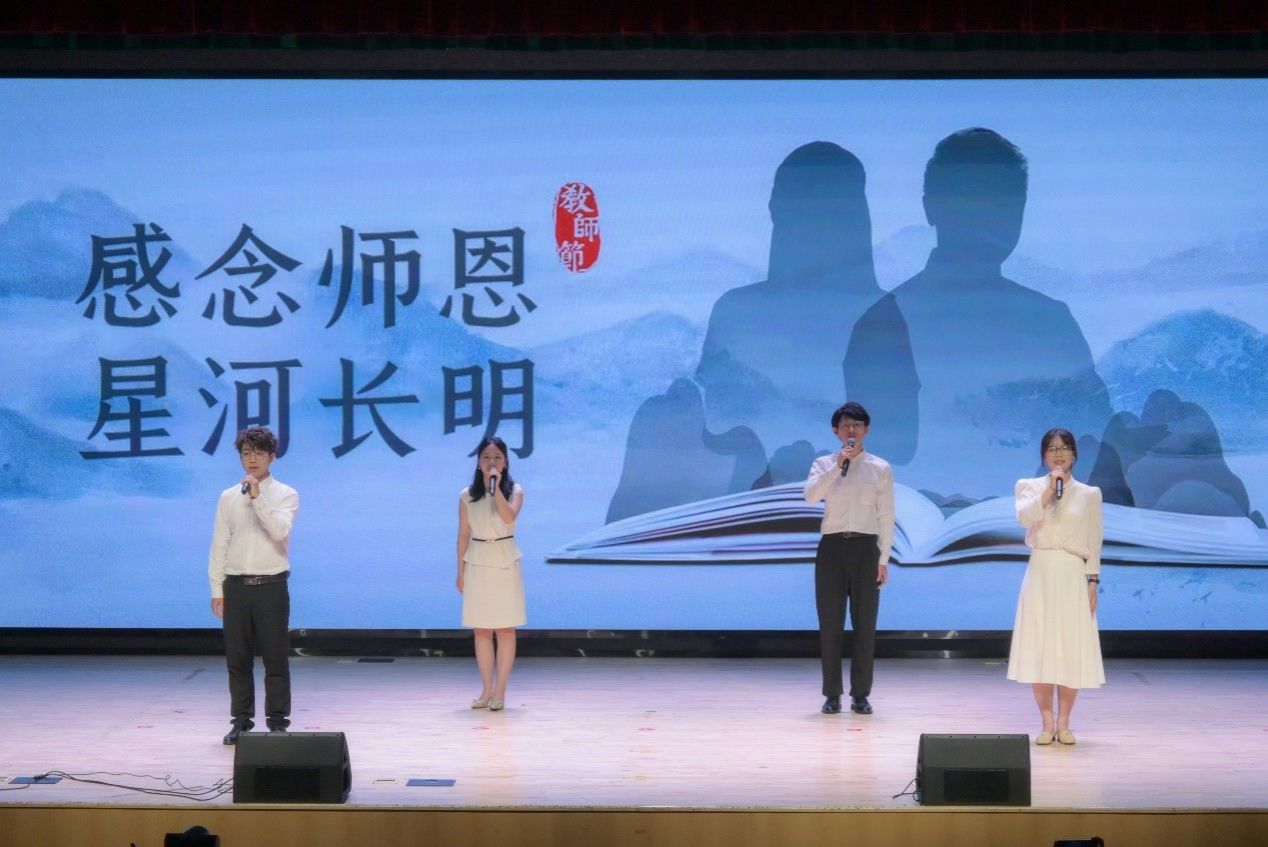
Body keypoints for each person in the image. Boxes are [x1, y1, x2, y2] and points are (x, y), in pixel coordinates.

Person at [1008, 428, 1105, 745]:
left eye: (1064, 448)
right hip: (1041, 570)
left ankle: (1064, 723)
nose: (1058, 453)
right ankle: (1046, 722)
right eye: (1052, 448)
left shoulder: (1089, 494)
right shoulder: (1029, 487)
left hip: (1072, 572)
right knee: (1041, 646)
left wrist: (1093, 581)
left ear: (1074, 454)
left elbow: (1094, 540)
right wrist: (1049, 490)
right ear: (1043, 456)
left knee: (1069, 647)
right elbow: (1025, 518)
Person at [208, 426, 299, 745]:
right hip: (235, 586)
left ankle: (278, 722)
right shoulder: (228, 496)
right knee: (238, 659)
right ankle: (241, 722)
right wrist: (217, 589)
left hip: (271, 586)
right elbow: (219, 543)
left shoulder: (286, 494)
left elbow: (279, 531)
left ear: (272, 456)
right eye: (246, 453)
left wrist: (258, 497)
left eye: (259, 453)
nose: (252, 459)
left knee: (275, 658)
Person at [803, 402, 894, 715]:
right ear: (836, 431)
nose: (851, 430)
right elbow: (811, 496)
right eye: (845, 425)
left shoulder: (880, 468)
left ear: (866, 430)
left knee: (865, 625)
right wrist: (838, 465)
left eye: (857, 425)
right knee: (830, 624)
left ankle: (860, 694)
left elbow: (886, 515)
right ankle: (832, 694)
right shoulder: (823, 464)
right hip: (832, 548)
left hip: (866, 548)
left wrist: (884, 559)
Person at [456, 436, 526, 711]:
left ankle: (500, 690)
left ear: (506, 462)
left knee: (505, 629)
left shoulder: (515, 491)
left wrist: (495, 489)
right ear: (478, 462)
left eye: (497, 457)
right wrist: (460, 571)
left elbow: (509, 517)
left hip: (505, 559)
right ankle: (486, 688)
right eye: (486, 457)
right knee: (481, 629)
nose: (491, 461)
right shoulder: (466, 495)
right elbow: (463, 534)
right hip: (477, 559)